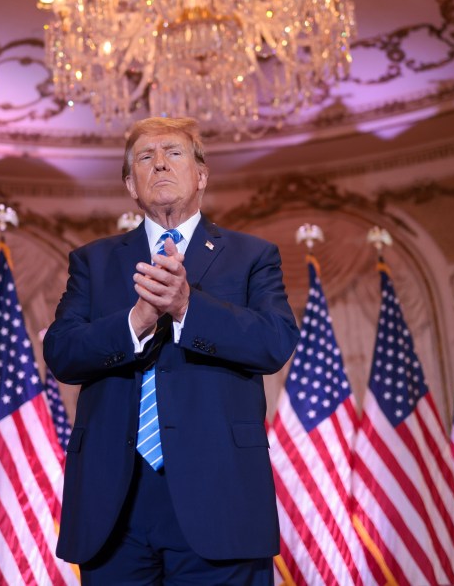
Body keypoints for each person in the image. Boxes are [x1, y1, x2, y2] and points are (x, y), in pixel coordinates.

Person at [43, 116, 300, 585]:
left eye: (174, 152)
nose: (159, 162)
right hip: (113, 504)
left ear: (201, 175)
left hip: (220, 497)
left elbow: (274, 342)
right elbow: (61, 353)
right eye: (145, 157)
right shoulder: (92, 262)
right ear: (129, 184)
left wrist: (186, 308)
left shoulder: (252, 256)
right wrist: (134, 323)